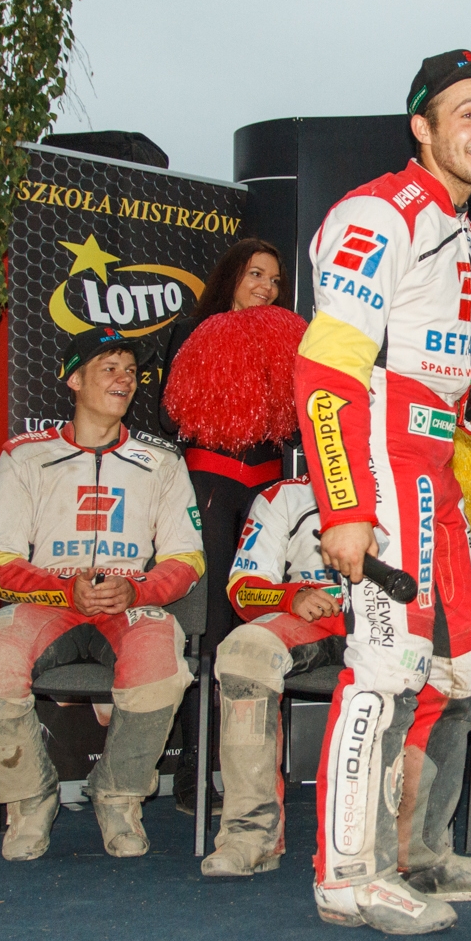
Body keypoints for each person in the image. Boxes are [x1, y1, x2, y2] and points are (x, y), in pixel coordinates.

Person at [293, 48, 471, 935]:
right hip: (379, 465)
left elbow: (423, 367)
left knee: (465, 669)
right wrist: (346, 508)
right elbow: (328, 373)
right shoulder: (379, 212)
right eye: (468, 112)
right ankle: (346, 876)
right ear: (421, 127)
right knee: (386, 667)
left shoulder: (459, 228)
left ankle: (416, 852)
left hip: (433, 468)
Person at [0, 327, 204, 862]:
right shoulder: (25, 456)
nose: (124, 379)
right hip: (49, 600)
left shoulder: (161, 460)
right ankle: (30, 800)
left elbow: (187, 558)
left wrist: (136, 588)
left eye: (130, 371)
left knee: (161, 671)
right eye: (109, 367)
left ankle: (117, 796)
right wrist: (63, 589)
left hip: (127, 600)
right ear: (74, 379)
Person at [158, 239, 296, 816]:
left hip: (267, 489)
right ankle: (195, 772)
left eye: (275, 280)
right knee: (212, 628)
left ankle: (254, 774)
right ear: (231, 277)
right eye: (256, 274)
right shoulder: (191, 332)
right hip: (210, 484)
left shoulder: (288, 337)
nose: (266, 287)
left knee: (260, 627)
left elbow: (301, 418)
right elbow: (168, 414)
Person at [199, 475, 344, 876]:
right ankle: (251, 834)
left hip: (389, 625)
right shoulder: (286, 495)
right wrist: (291, 596)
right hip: (309, 620)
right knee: (244, 652)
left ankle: (406, 838)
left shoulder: (413, 483)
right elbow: (244, 589)